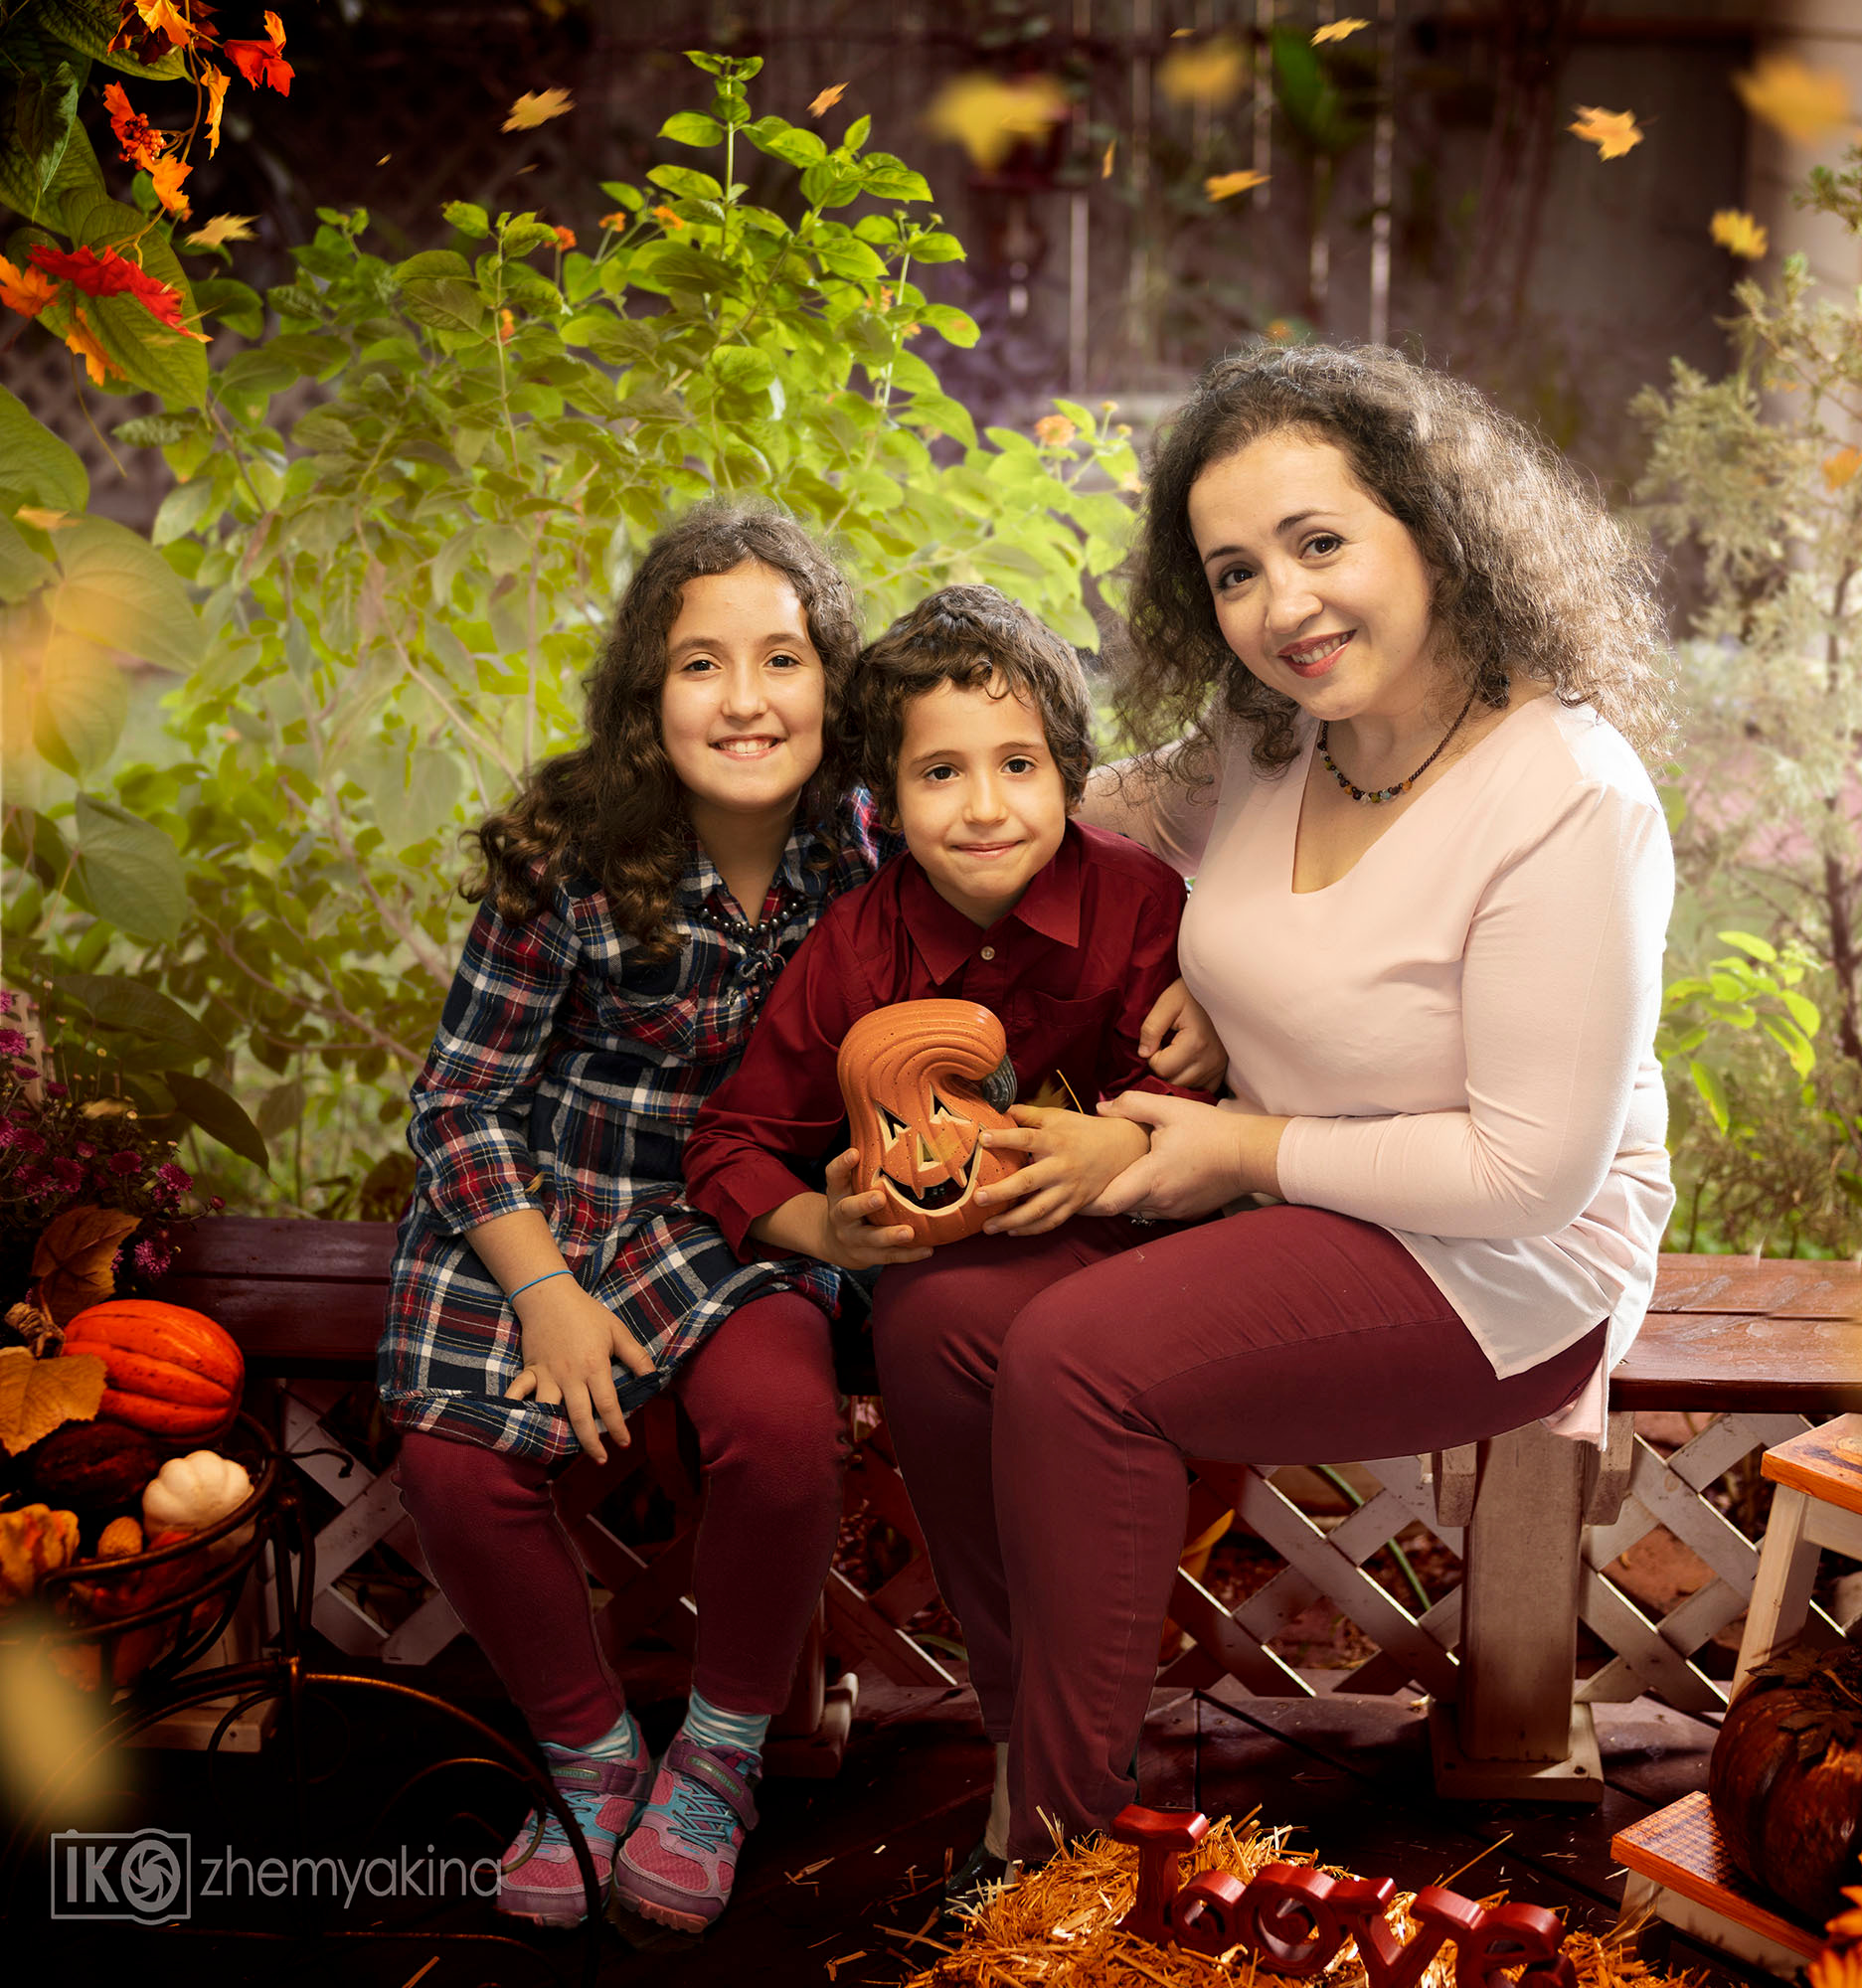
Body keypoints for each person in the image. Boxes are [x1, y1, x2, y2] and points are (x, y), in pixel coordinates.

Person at [866, 341, 1677, 1884]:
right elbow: (1078, 818)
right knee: (937, 1323)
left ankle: (1057, 1859)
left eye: (1319, 543)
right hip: (1277, 1199)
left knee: (1079, 1360)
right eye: (1235, 572)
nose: (1281, 605)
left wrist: (1240, 1143)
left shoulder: (1568, 796)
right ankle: (1035, 1751)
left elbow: (1529, 1173)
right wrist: (1132, 932)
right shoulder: (1274, 735)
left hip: (1499, 1266)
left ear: (1433, 526)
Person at [380, 504, 896, 1934]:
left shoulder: (866, 849)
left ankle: (719, 1760)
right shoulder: (571, 850)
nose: (745, 700)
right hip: (544, 1199)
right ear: (644, 695)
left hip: (742, 1210)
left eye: (783, 658)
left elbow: (1044, 818)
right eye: (699, 664)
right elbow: (460, 1099)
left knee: (782, 1430)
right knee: (452, 1462)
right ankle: (593, 1757)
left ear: (832, 684)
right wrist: (543, 1290)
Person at [685, 583, 1222, 1285]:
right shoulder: (856, 952)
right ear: (889, 804)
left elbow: (1197, 1087)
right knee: (930, 1310)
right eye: (941, 773)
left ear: (1069, 780)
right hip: (940, 1262)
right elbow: (730, 1147)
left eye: (1018, 765)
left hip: (1130, 1230)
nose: (985, 809)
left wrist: (1124, 1141)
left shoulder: (1139, 902)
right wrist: (823, 1227)